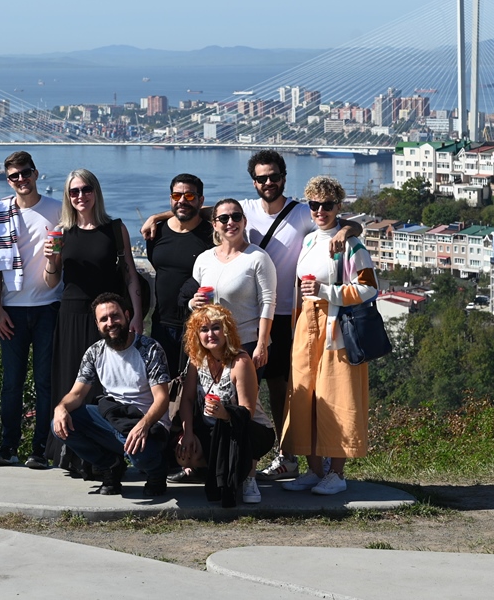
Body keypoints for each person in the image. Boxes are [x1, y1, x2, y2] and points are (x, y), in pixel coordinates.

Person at [142, 149, 360, 480]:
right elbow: (202, 209)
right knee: (238, 393)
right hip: (241, 324)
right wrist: (160, 217)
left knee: (284, 389)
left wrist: (346, 232)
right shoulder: (245, 209)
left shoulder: (303, 212)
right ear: (253, 181)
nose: (268, 182)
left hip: (291, 316)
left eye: (274, 176)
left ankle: (288, 456)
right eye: (261, 178)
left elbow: (344, 221)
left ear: (284, 177)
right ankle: (223, 458)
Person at [280, 176, 377, 497]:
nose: (320, 210)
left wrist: (326, 291)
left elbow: (369, 288)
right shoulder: (309, 241)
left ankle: (336, 472)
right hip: (307, 328)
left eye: (327, 205)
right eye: (314, 205)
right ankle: (315, 469)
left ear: (338, 207)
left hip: (336, 329)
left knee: (336, 397)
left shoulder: (350, 245)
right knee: (305, 396)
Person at [44, 168, 146, 472]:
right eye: (74, 191)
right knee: (72, 383)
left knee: (108, 387)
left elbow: (130, 275)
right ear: (67, 196)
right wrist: (50, 260)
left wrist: (137, 316)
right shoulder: (61, 231)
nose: (80, 196)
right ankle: (72, 453)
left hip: (111, 319)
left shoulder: (115, 229)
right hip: (73, 316)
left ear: (96, 192)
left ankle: (109, 454)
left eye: (85, 190)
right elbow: (50, 282)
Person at [0, 151, 62, 470]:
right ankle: (8, 446)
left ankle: (40, 449)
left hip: (48, 307)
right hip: (12, 310)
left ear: (36, 173)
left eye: (25, 173)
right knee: (11, 383)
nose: (21, 180)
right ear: (8, 180)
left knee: (45, 382)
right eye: (14, 176)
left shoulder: (57, 210)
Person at [51, 293, 171, 497]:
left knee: (139, 451)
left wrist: (143, 426)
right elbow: (77, 394)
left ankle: (157, 472)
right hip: (114, 418)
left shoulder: (149, 349)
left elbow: (162, 398)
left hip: (147, 422)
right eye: (104, 319)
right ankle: (110, 466)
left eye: (115, 316)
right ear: (97, 325)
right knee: (61, 425)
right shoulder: (95, 352)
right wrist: (60, 409)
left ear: (126, 315)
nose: (110, 323)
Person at [175, 304, 275, 507]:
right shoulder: (196, 360)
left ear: (226, 331)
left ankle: (248, 476)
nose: (210, 334)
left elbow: (247, 412)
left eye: (215, 328)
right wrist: (188, 433)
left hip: (249, 429)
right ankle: (215, 471)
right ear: (197, 335)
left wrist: (225, 413)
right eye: (204, 330)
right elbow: (186, 399)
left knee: (236, 433)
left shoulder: (240, 361)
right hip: (213, 428)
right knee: (185, 456)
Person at [188, 198, 276, 369]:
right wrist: (193, 303)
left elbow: (268, 303)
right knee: (211, 396)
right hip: (211, 345)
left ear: (244, 221)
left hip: (246, 343)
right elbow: (196, 299)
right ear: (214, 224)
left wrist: (262, 344)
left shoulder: (258, 258)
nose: (230, 222)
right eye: (223, 218)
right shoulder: (203, 259)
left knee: (243, 396)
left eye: (236, 217)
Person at [145, 173, 213, 377]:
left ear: (201, 200)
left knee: (195, 392)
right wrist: (157, 219)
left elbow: (229, 208)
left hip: (198, 325)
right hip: (161, 325)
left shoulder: (212, 235)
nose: (182, 200)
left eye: (190, 196)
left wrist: (157, 214)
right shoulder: (156, 233)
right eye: (176, 196)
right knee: (162, 388)